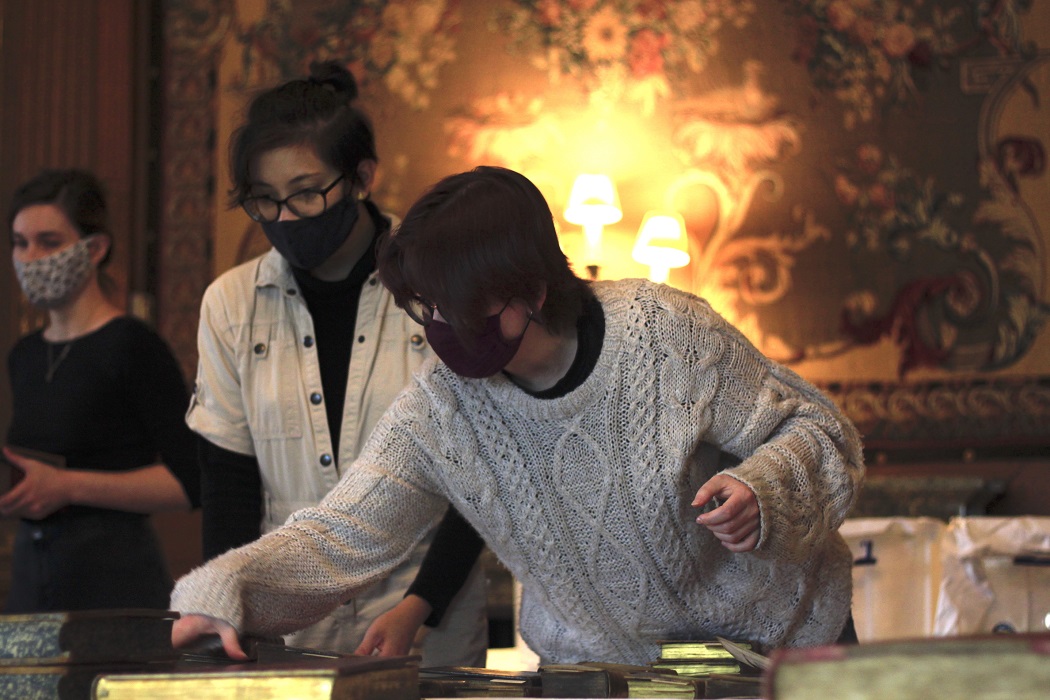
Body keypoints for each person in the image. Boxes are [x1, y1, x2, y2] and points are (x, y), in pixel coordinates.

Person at [171, 165, 865, 665]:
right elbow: (340, 533)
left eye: (456, 306)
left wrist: (761, 489)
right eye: (426, 308)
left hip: (776, 647)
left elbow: (819, 431)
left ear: (530, 290)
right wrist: (224, 590)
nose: (439, 328)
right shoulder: (443, 404)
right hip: (602, 675)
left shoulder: (664, 333)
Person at [184, 60, 488, 663]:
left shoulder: (440, 282)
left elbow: (481, 474)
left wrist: (420, 605)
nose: (284, 218)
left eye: (305, 193)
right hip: (291, 632)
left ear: (361, 178)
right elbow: (229, 484)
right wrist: (226, 604)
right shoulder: (231, 304)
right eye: (264, 200)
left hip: (426, 625)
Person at [2, 168, 199, 612]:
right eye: (20, 243)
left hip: (113, 579)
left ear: (95, 249)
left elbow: (190, 480)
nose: (31, 258)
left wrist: (68, 486)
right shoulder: (25, 354)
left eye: (49, 242)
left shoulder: (133, 345)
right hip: (33, 573)